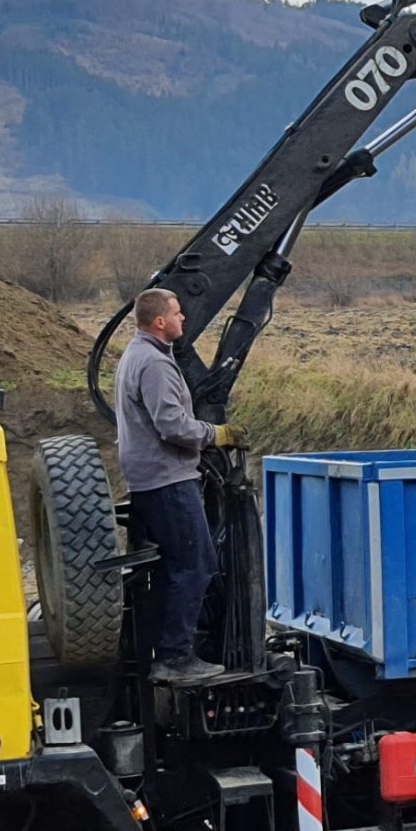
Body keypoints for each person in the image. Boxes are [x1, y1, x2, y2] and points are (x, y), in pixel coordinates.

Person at [114, 288, 240, 684]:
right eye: (177, 313)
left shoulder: (136, 354)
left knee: (175, 566)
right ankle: (174, 657)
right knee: (196, 563)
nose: (183, 318)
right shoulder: (154, 363)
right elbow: (172, 426)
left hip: (150, 477)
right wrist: (216, 434)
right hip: (167, 479)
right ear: (159, 322)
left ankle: (165, 651)